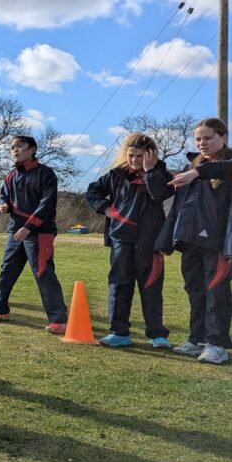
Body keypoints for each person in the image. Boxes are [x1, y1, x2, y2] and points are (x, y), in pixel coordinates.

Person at [85, 133, 174, 348]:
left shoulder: (161, 174)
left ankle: (156, 334)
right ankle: (119, 332)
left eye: (140, 156)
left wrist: (151, 171)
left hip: (150, 242)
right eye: (131, 155)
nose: (135, 160)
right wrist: (105, 208)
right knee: (119, 285)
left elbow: (161, 194)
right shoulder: (116, 174)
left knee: (151, 288)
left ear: (151, 155)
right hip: (121, 239)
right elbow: (92, 191)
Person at [162, 118, 232, 365]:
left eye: (208, 138)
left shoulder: (225, 165)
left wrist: (196, 172)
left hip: (219, 244)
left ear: (223, 137)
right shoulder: (192, 166)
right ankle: (198, 339)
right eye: (198, 139)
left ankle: (218, 344)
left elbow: (223, 169)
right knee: (195, 291)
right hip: (191, 241)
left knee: (217, 294)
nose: (202, 143)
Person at [0, 136, 68, 332]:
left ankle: (58, 319)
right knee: (7, 270)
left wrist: (29, 226)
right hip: (15, 230)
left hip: (40, 232)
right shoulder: (10, 176)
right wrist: (2, 205)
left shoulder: (46, 174)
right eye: (12, 147)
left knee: (43, 272)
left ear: (32, 149)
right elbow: (3, 195)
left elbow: (47, 204)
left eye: (19, 146)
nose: (15, 150)